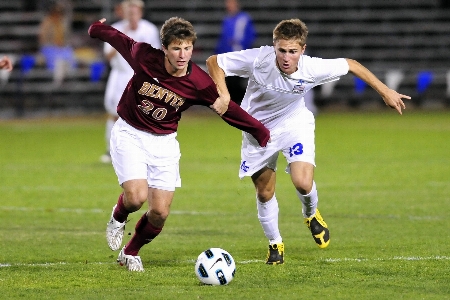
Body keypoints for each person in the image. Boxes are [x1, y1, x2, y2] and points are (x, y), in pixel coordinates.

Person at [206, 18, 410, 265]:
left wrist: (385, 91)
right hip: (257, 129)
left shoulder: (312, 68)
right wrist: (225, 93)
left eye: (293, 51)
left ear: (302, 50)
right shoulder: (259, 59)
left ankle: (311, 214)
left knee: (303, 182)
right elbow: (214, 61)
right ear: (274, 46)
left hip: (294, 124)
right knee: (264, 191)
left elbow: (351, 65)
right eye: (281, 50)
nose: (286, 57)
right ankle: (275, 243)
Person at [88, 16, 270, 272]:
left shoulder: (199, 82)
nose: (182, 54)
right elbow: (119, 40)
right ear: (164, 48)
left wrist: (260, 131)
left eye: (187, 48)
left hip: (164, 142)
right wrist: (97, 29)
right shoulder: (144, 56)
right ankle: (118, 217)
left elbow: (227, 110)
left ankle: (130, 252)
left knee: (160, 212)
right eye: (176, 48)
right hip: (130, 133)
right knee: (136, 198)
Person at [100, 0, 161, 164]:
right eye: (129, 10)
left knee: (144, 112)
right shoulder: (116, 29)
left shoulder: (149, 29)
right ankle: (111, 150)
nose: (132, 13)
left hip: (140, 76)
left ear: (140, 11)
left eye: (135, 10)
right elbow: (108, 55)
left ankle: (144, 150)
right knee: (115, 113)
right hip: (120, 76)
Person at [215, 0, 256, 105]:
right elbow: (223, 39)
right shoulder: (226, 20)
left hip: (239, 56)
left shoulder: (244, 19)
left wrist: (242, 47)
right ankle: (233, 104)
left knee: (237, 82)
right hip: (228, 56)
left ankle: (241, 104)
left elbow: (250, 36)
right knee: (229, 82)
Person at [38, 2, 76, 71]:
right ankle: (55, 78)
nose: (58, 15)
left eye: (59, 13)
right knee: (56, 60)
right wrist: (54, 43)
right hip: (49, 47)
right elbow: (43, 39)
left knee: (70, 55)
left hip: (62, 47)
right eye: (56, 12)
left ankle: (69, 75)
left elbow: (66, 37)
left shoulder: (63, 22)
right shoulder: (46, 23)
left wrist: (63, 43)